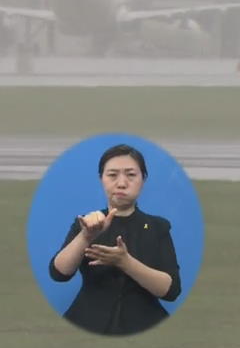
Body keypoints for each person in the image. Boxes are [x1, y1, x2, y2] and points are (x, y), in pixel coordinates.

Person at [48, 143, 182, 336]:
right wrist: (85, 236)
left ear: (143, 179)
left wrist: (126, 263)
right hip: (86, 322)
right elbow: (59, 273)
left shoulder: (158, 227)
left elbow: (171, 290)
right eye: (112, 175)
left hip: (146, 325)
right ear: (101, 179)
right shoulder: (86, 223)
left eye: (131, 175)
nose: (121, 183)